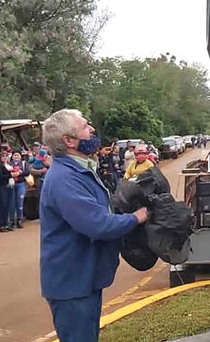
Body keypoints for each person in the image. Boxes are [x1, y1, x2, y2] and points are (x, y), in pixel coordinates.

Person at [39, 109, 149, 342]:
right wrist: (137, 217)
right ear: (69, 141)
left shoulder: (80, 168)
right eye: (85, 127)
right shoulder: (65, 178)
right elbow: (97, 224)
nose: (92, 131)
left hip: (82, 278)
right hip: (72, 282)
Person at [0, 147, 16, 232]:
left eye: (6, 156)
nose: (4, 158)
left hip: (10, 186)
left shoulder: (10, 166)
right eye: (3, 156)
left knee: (8, 205)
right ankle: (2, 225)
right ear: (0, 158)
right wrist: (11, 175)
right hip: (2, 187)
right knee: (2, 205)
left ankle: (7, 224)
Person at [8, 151, 30, 229]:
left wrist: (20, 173)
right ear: (12, 156)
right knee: (11, 203)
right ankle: (11, 221)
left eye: (18, 155)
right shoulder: (8, 163)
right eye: (15, 155)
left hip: (21, 184)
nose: (16, 157)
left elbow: (28, 172)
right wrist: (11, 174)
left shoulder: (24, 163)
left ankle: (19, 220)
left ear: (20, 156)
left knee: (20, 202)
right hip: (11, 184)